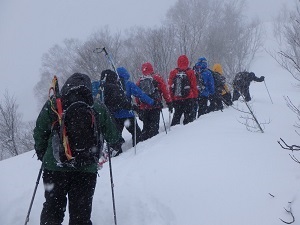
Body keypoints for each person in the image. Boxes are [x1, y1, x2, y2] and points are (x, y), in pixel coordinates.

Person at [33, 73, 120, 225]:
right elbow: (113, 136)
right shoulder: (96, 106)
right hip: (85, 168)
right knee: (81, 216)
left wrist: (42, 153)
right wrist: (114, 142)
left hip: (55, 168)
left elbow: (40, 131)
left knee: (53, 211)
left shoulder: (54, 104)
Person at [92, 69, 136, 156]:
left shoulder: (97, 86)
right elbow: (122, 102)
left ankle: (106, 154)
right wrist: (132, 107)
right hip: (114, 116)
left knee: (106, 137)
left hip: (98, 117)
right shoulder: (115, 87)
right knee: (122, 136)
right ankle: (119, 154)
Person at [116, 66, 155, 146]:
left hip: (115, 116)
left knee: (116, 137)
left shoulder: (113, 85)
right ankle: (137, 151)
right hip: (128, 114)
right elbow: (140, 94)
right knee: (136, 134)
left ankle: (116, 154)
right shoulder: (128, 84)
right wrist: (152, 102)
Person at [136, 62, 172, 141]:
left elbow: (137, 95)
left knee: (146, 126)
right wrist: (168, 102)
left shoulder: (140, 81)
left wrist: (139, 106)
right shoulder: (157, 77)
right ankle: (153, 143)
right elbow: (164, 90)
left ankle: (143, 142)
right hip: (155, 106)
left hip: (144, 107)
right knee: (154, 127)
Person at [168, 54, 198, 126]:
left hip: (177, 98)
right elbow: (194, 86)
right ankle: (187, 133)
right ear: (187, 62)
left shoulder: (173, 72)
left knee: (177, 116)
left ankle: (173, 133)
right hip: (189, 98)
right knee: (189, 119)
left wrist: (172, 99)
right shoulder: (190, 72)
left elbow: (170, 87)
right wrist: (195, 97)